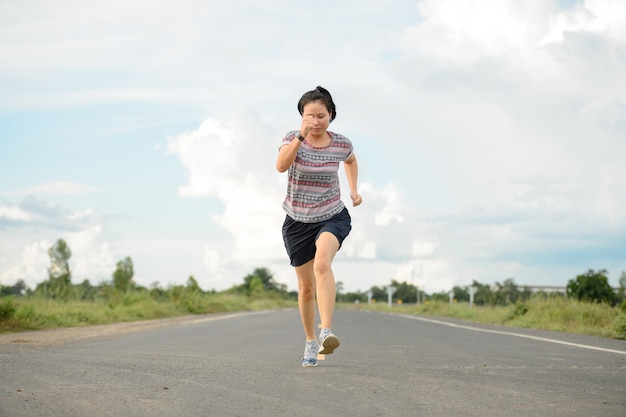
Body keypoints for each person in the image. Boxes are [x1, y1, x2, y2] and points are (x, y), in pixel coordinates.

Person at [276, 86, 362, 367]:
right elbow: (280, 166)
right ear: (302, 117)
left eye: (321, 116)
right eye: (310, 116)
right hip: (297, 220)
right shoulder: (292, 139)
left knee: (322, 264)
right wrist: (300, 137)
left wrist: (353, 190)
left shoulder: (341, 143)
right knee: (305, 289)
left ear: (331, 116)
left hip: (331, 215)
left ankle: (326, 330)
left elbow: (350, 160)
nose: (316, 121)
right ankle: (311, 340)